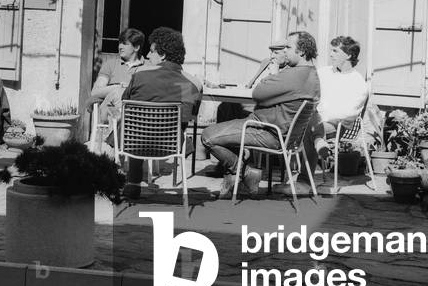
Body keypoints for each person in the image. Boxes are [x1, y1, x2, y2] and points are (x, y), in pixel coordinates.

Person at [201, 29, 320, 199]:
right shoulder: (312, 75)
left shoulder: (293, 75)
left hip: (266, 132)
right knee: (228, 118)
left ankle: (245, 171)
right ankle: (238, 174)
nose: (284, 50)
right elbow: (270, 98)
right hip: (284, 135)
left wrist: (273, 75)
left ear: (300, 51)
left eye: (288, 47)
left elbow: (258, 93)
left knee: (208, 136)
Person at [119, 27, 202, 199]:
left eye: (151, 51)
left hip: (132, 143)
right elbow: (188, 118)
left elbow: (125, 102)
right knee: (145, 126)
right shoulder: (193, 84)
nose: (148, 56)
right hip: (170, 146)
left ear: (162, 55)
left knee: (135, 125)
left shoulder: (140, 75)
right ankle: (133, 183)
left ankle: (132, 183)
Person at [313, 36, 370, 165]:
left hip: (337, 126)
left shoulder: (358, 83)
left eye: (335, 51)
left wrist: (319, 112)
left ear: (348, 55)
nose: (331, 55)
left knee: (303, 130)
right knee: (298, 126)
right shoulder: (324, 72)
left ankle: (303, 178)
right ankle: (319, 142)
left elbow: (346, 113)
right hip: (316, 121)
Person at [86, 27, 146, 133]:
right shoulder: (111, 64)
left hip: (138, 110)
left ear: (136, 47)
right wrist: (118, 87)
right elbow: (95, 91)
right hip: (109, 111)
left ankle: (119, 131)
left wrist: (127, 88)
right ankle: (122, 129)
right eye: (120, 43)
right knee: (118, 94)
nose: (120, 47)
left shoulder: (147, 67)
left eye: (125, 44)